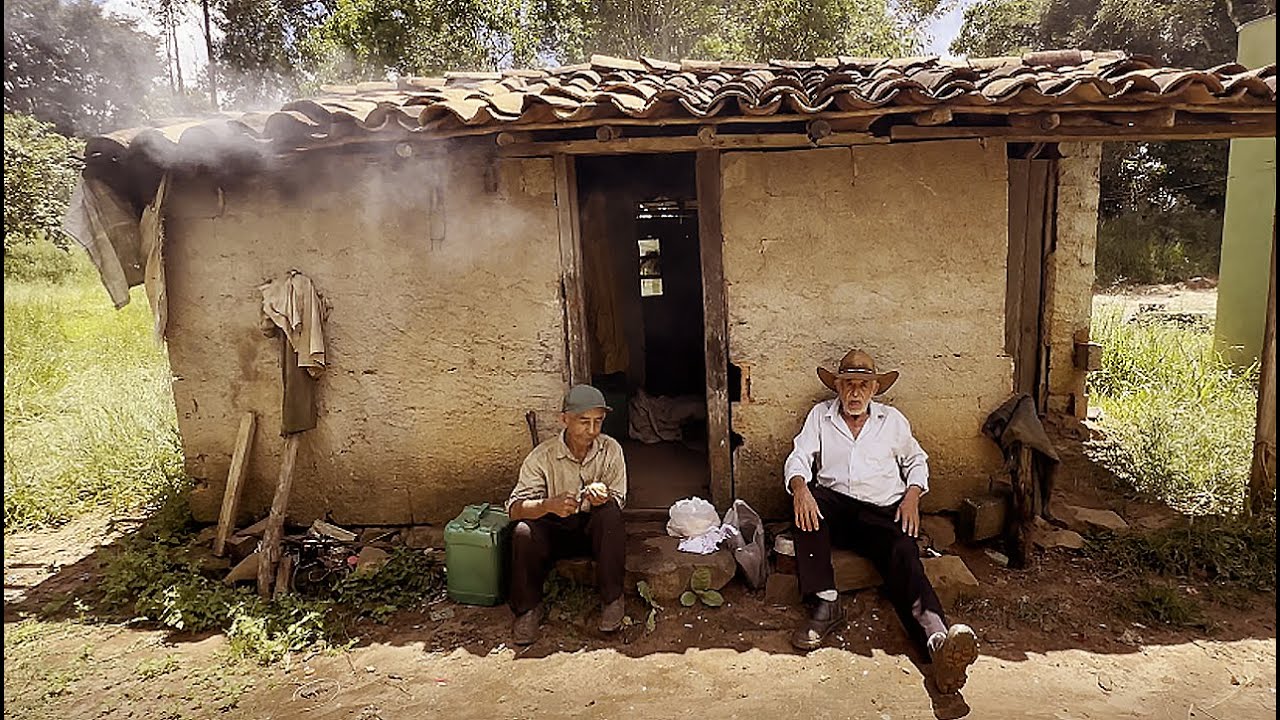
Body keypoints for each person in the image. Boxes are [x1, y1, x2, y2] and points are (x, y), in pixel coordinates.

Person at [784, 349, 979, 694]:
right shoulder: (820, 417)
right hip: (837, 507)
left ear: (875, 389)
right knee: (807, 505)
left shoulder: (892, 421)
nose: (855, 393)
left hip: (883, 512)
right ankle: (827, 603)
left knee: (905, 554)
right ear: (838, 388)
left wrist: (913, 496)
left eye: (863, 385)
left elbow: (917, 461)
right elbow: (799, 456)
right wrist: (799, 487)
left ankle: (938, 645)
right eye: (848, 385)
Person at [506, 384, 628, 645]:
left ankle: (613, 599)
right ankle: (528, 609)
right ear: (564, 420)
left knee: (611, 515)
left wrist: (603, 497)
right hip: (554, 532)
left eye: (598, 422)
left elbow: (619, 499)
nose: (592, 430)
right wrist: (547, 505)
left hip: (592, 531)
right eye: (584, 422)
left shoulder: (611, 450)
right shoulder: (542, 457)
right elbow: (514, 509)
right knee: (523, 531)